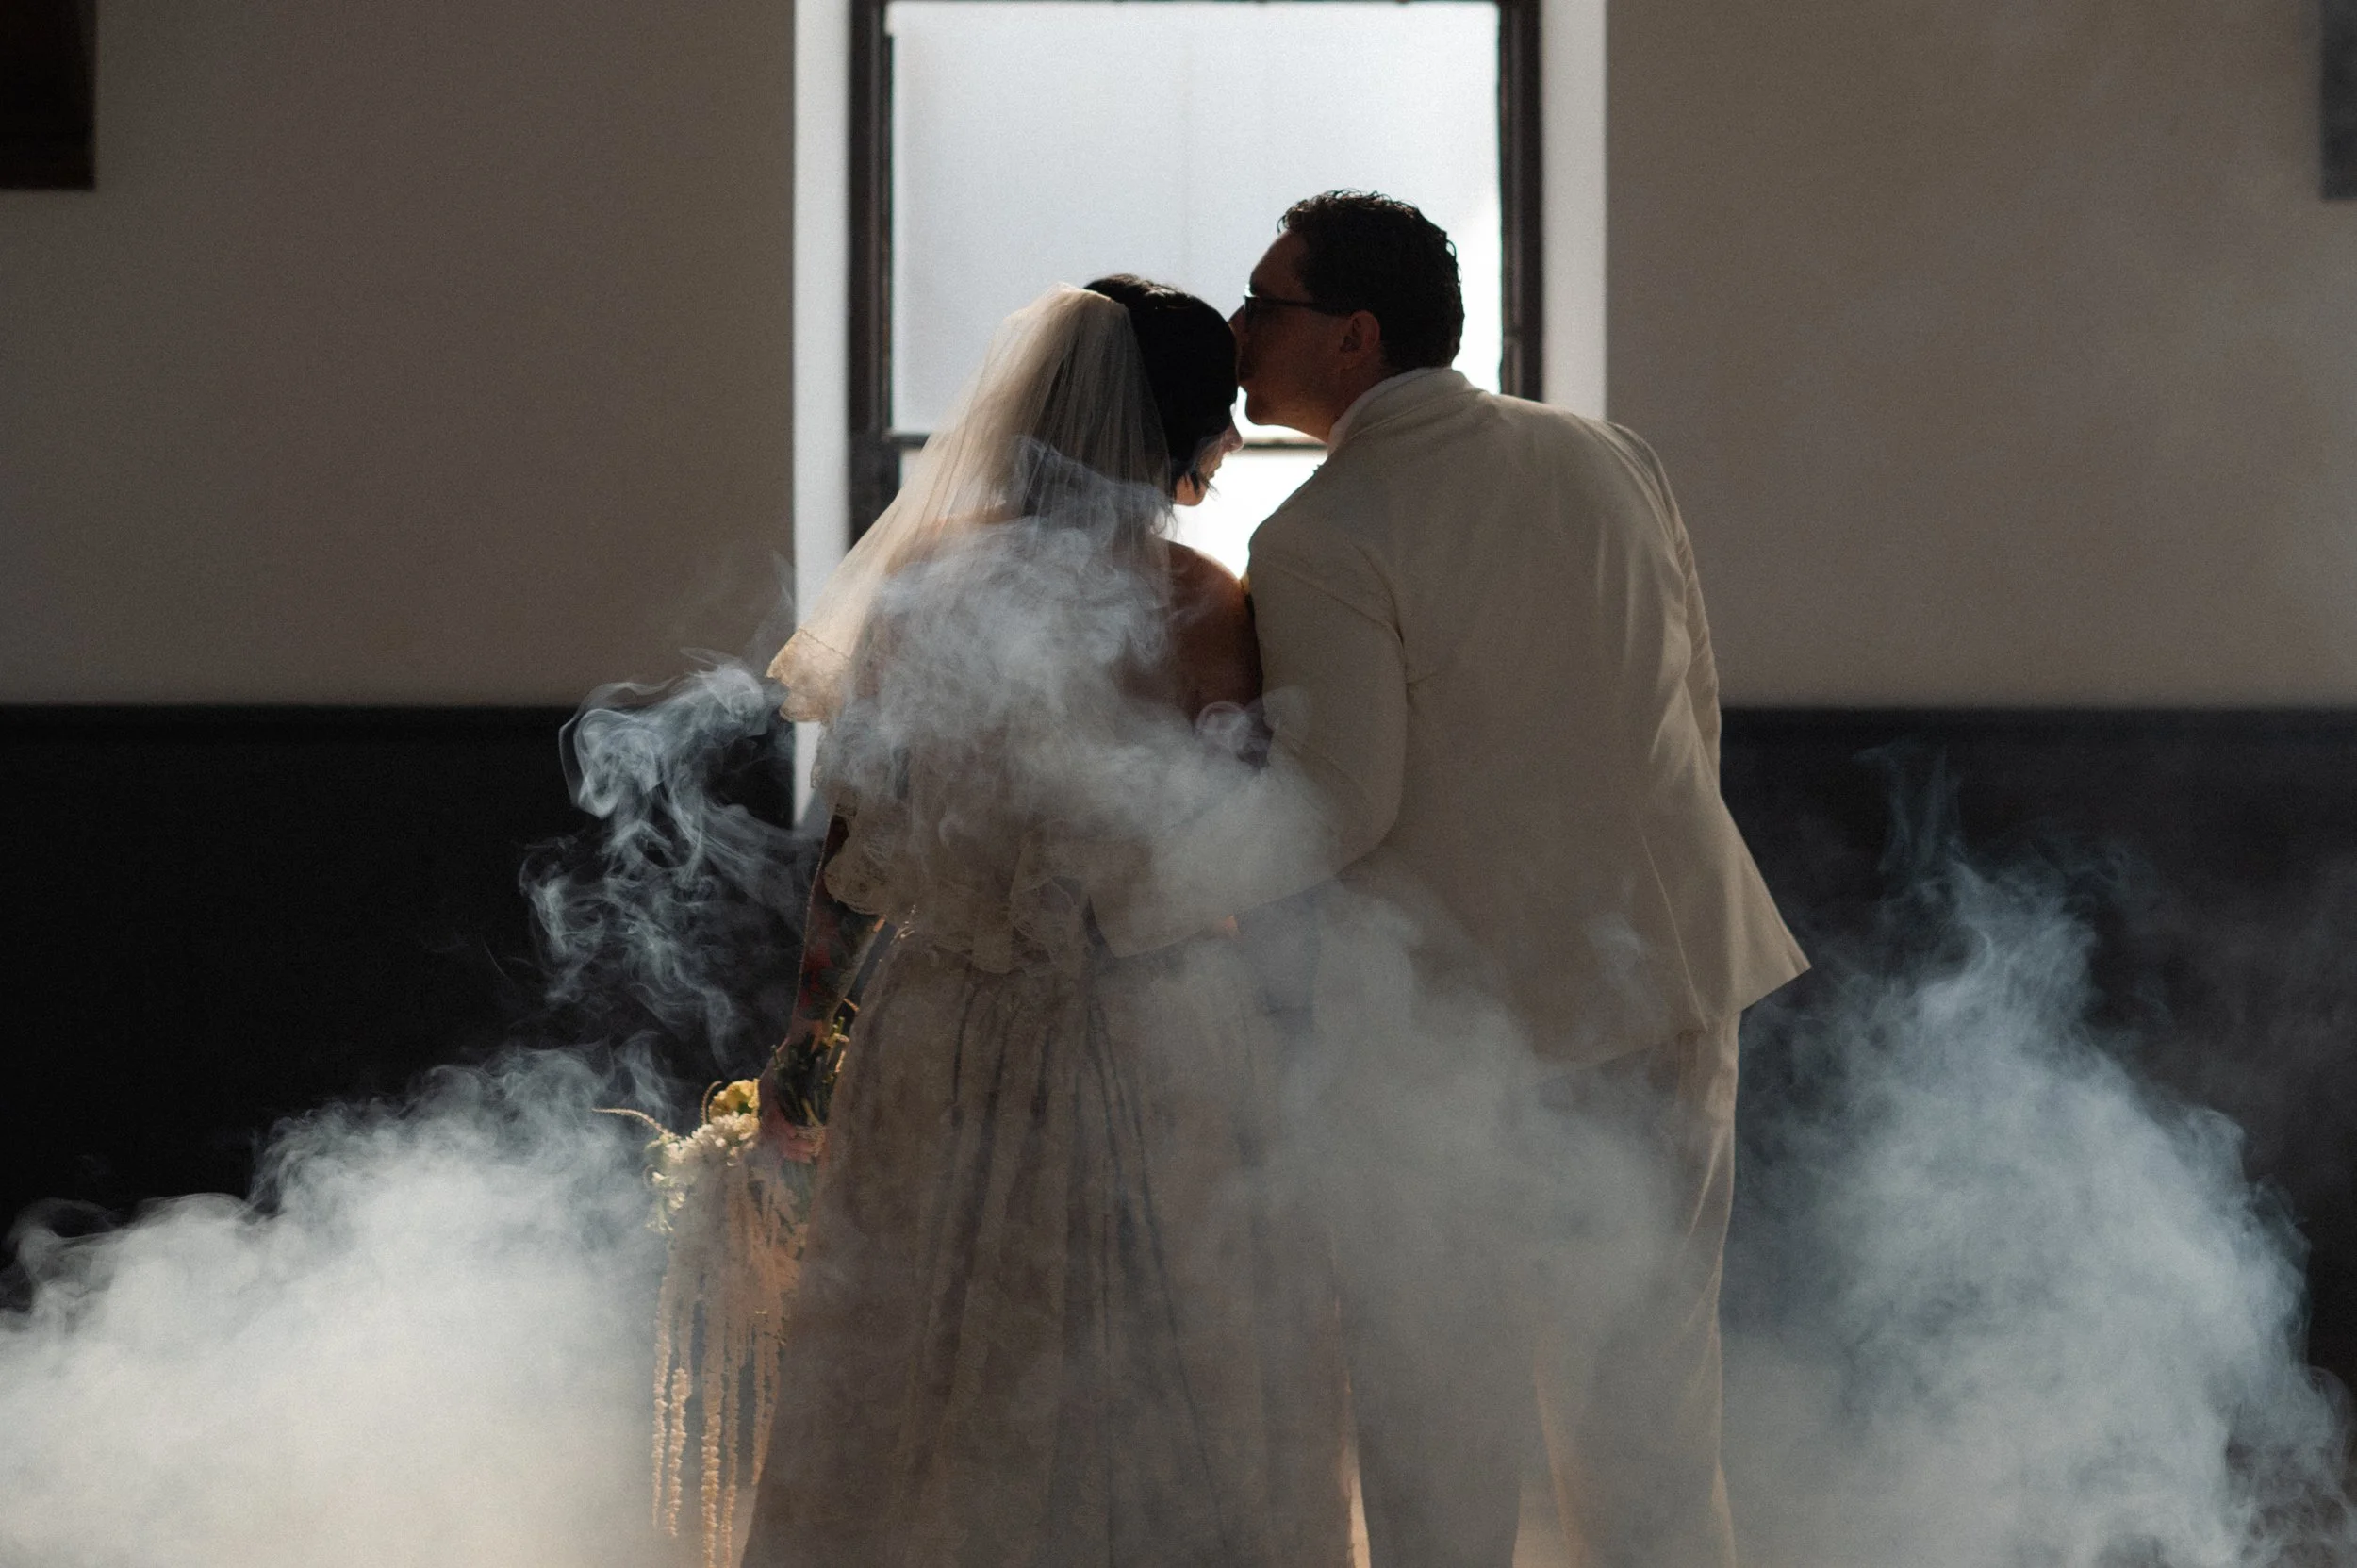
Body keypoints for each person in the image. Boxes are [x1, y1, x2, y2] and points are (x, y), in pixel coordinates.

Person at [1096, 193, 1809, 1568]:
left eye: (1265, 303)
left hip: (1467, 1031)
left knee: (1437, 1421)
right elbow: (1693, 708)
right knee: (1652, 1409)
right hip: (1673, 974)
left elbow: (1335, 801)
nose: (1238, 329)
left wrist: (1132, 899)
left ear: (1353, 336)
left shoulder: (1323, 534)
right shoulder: (1610, 455)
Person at [737, 278, 1350, 1568]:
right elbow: (1262, 849)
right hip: (1161, 1029)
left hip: (941, 1023)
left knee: (919, 1350)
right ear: (1180, 432)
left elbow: (853, 847)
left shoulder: (923, 583)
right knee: (1162, 1359)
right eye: (1217, 419)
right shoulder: (1206, 604)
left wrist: (806, 1037)